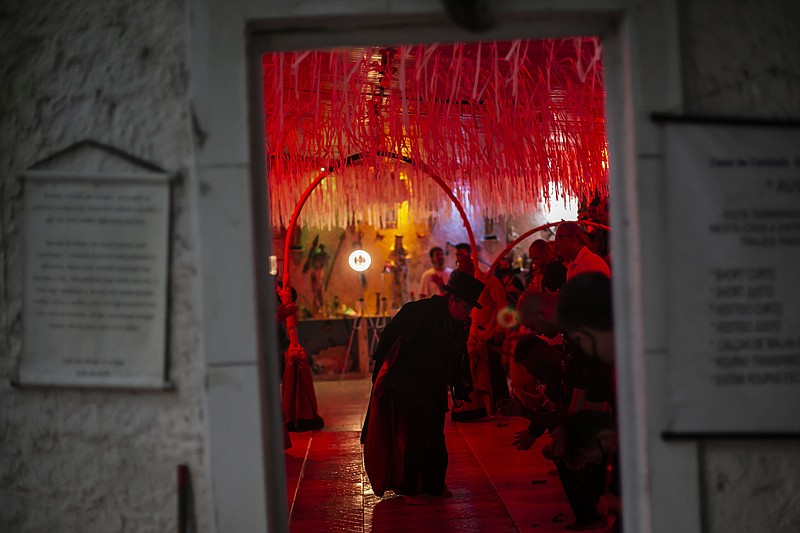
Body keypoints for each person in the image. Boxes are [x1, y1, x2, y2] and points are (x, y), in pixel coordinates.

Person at [361, 270, 486, 505]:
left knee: (436, 434)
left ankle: (435, 485)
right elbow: (389, 338)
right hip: (408, 383)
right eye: (466, 308)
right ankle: (409, 487)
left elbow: (456, 356)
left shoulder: (456, 322)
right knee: (420, 432)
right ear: (452, 300)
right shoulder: (419, 312)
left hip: (434, 384)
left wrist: (455, 384)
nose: (467, 313)